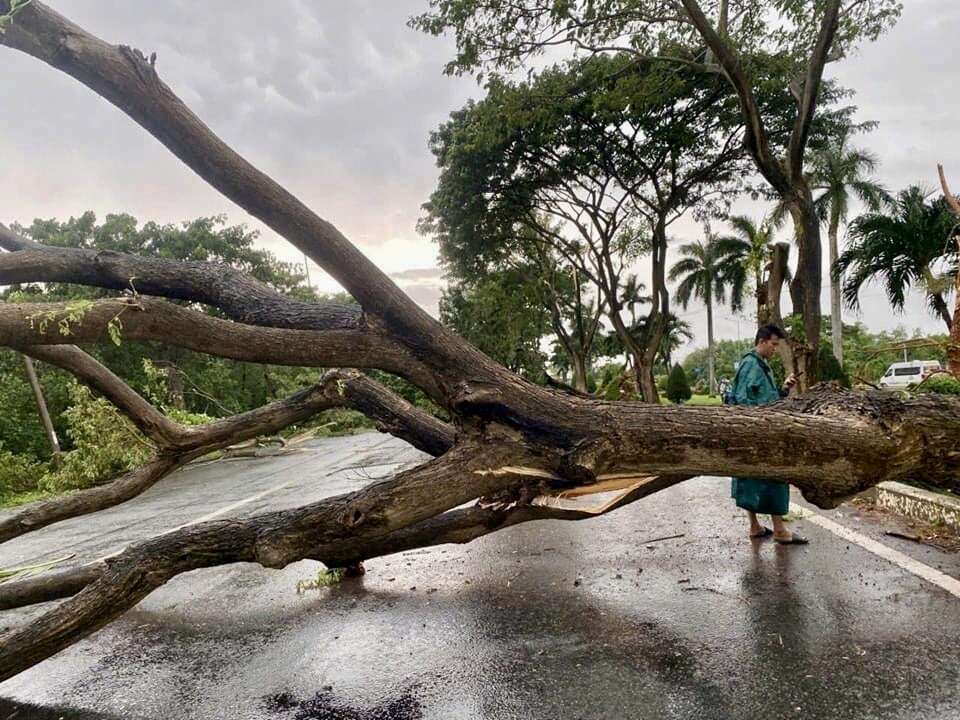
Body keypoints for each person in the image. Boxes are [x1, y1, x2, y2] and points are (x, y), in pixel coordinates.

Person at [729, 324, 808, 545]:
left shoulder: (760, 365)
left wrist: (783, 389)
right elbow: (745, 401)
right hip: (759, 431)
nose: (775, 349)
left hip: (756, 430)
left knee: (750, 478)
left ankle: (755, 526)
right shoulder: (751, 366)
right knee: (774, 477)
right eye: (773, 345)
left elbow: (766, 397)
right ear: (762, 342)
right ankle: (780, 530)